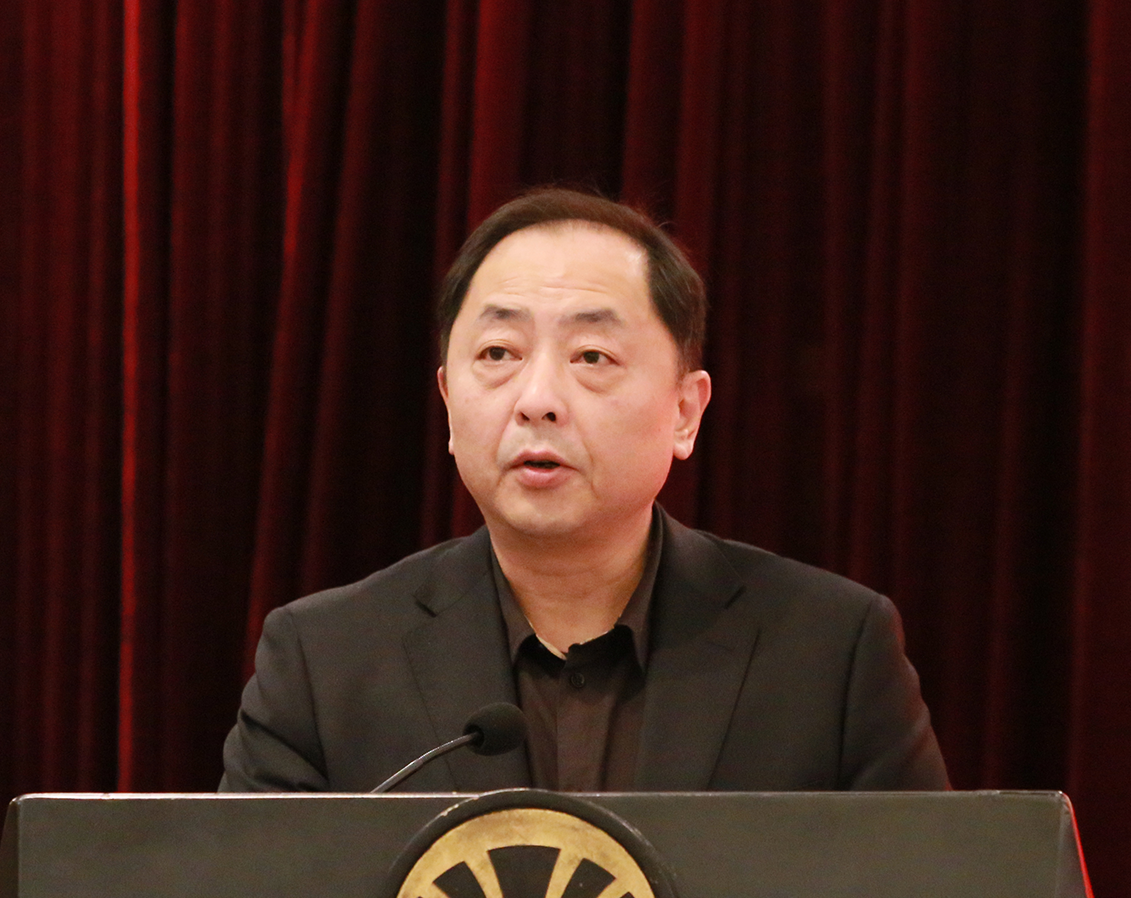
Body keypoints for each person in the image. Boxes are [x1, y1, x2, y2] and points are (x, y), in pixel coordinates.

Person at [220, 188, 949, 794]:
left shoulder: (830, 652)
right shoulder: (324, 663)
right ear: (446, 403)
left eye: (592, 355)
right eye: (498, 353)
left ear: (685, 411)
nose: (537, 399)